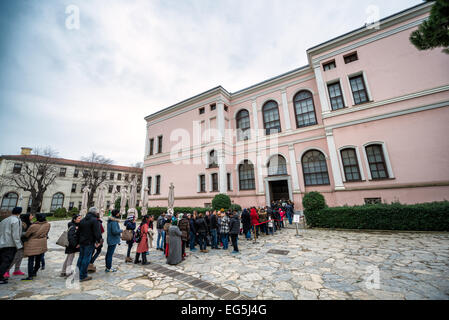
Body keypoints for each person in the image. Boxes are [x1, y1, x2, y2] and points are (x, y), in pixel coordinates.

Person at [21, 213, 51, 281]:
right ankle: (35, 272)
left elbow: (27, 235)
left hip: (32, 243)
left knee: (31, 260)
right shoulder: (48, 224)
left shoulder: (33, 226)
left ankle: (30, 275)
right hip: (42, 243)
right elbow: (46, 233)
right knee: (38, 259)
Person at [76, 207, 102, 282]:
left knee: (81, 258)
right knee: (86, 259)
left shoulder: (83, 220)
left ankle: (77, 274)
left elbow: (78, 232)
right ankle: (82, 276)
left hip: (82, 242)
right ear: (95, 213)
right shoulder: (94, 220)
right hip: (89, 242)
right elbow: (97, 233)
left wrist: (78, 242)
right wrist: (98, 241)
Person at [4, 213, 32, 279]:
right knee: (16, 257)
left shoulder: (28, 223)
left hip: (24, 243)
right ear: (27, 217)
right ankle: (7, 270)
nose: (32, 216)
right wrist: (27, 233)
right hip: (19, 243)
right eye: (30, 215)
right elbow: (18, 234)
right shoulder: (21, 224)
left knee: (20, 257)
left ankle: (17, 270)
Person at [0, 207, 24, 285]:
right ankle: (0, 277)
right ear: (19, 212)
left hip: (2, 243)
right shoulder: (16, 220)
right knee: (6, 261)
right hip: (10, 244)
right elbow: (15, 234)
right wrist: (19, 245)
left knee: (1, 260)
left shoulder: (4, 220)